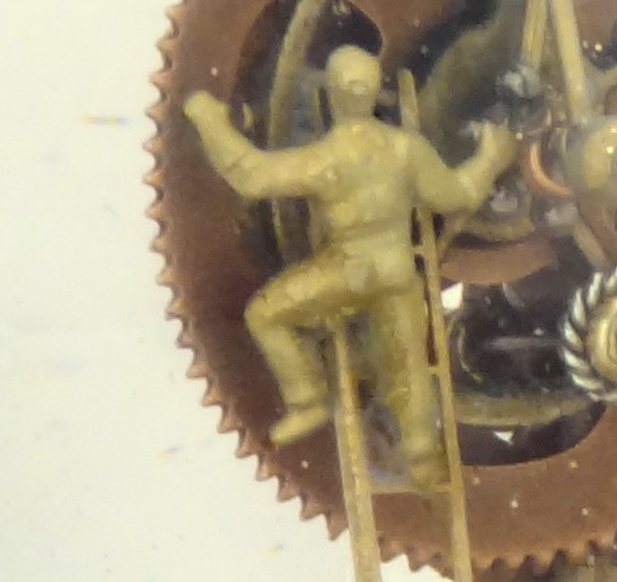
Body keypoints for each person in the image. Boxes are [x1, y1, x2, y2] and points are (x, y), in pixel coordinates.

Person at [179, 44, 513, 487]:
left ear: (334, 93)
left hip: (348, 274)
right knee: (410, 365)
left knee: (264, 314)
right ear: (374, 92)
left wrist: (208, 119)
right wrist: (489, 158)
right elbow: (457, 196)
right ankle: (422, 458)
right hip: (397, 273)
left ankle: (307, 398)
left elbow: (251, 175)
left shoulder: (328, 159)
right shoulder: (405, 149)